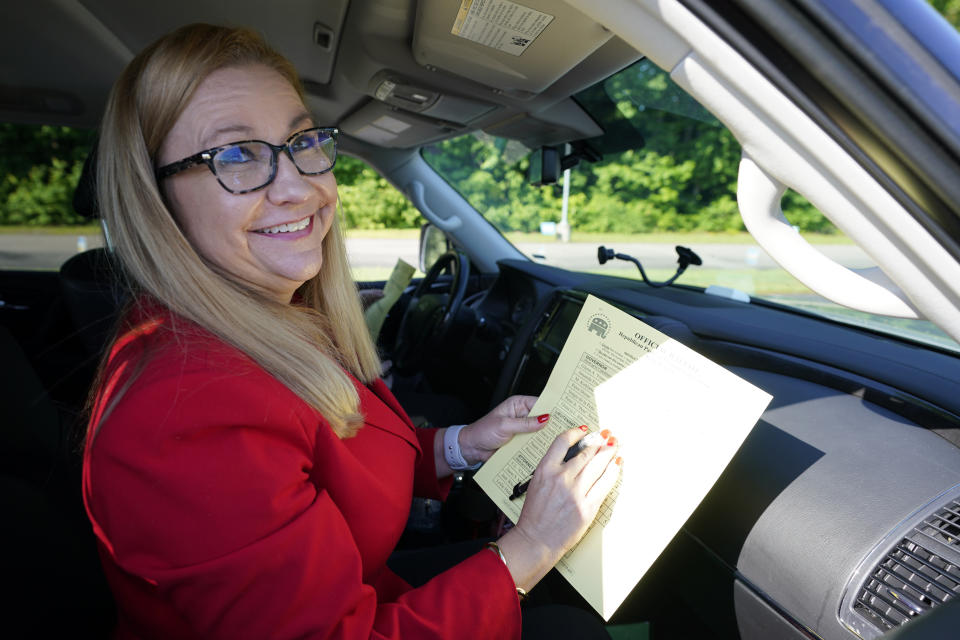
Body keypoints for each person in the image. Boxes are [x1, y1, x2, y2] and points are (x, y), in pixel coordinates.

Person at [82, 23, 622, 639]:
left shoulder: (255, 321)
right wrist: (533, 545)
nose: (299, 187)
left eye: (301, 141)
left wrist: (461, 445)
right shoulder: (188, 414)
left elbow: (329, 462)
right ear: (157, 198)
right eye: (236, 155)